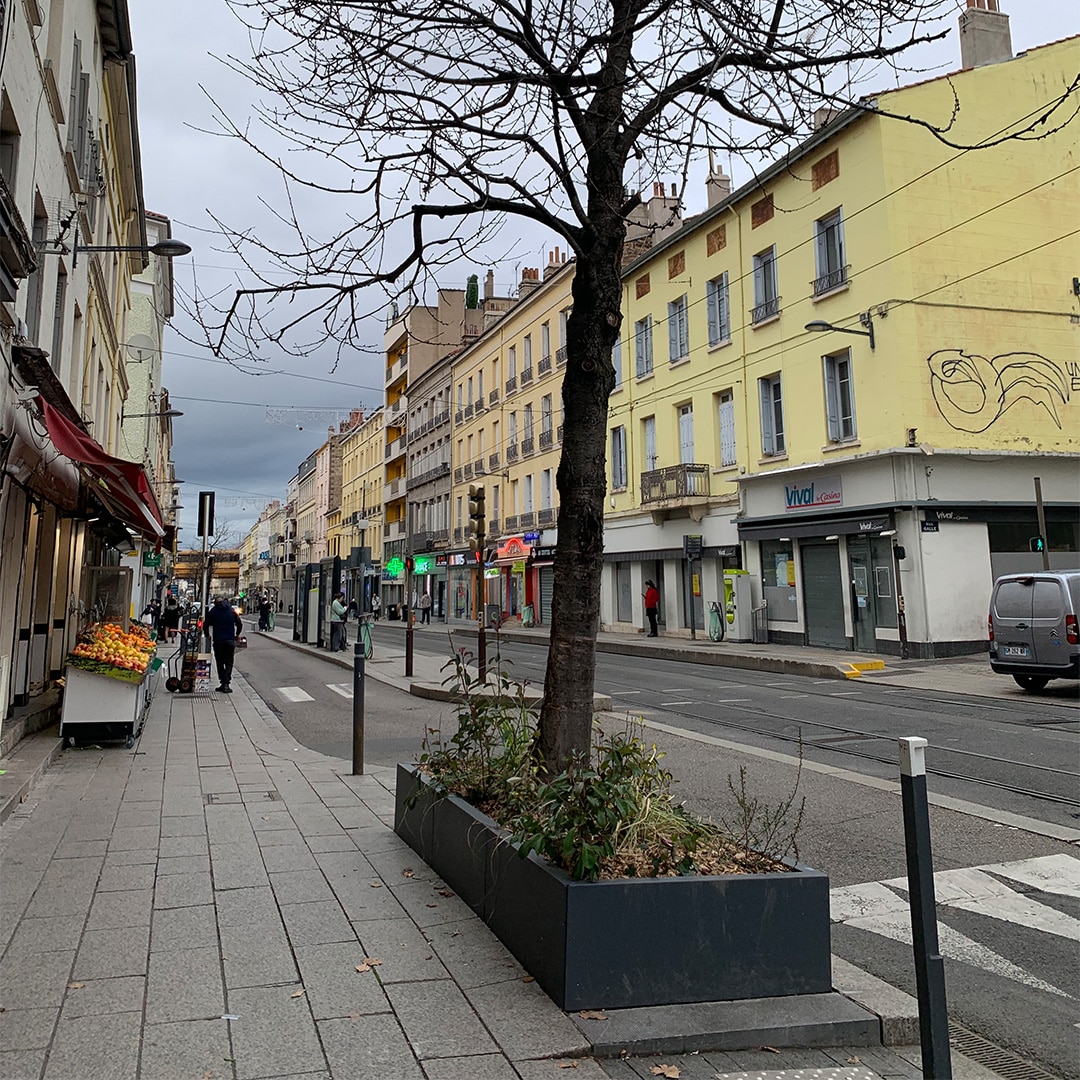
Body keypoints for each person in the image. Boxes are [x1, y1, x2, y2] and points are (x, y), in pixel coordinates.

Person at [203, 596, 243, 693]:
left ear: (216, 603)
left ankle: (223, 682)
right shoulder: (231, 610)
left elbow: (206, 624)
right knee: (229, 662)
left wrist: (207, 635)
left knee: (220, 662)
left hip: (218, 641)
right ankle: (226, 684)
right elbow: (239, 624)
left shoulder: (213, 611)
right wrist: (237, 634)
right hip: (230, 640)